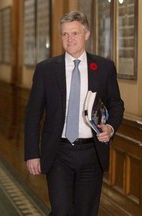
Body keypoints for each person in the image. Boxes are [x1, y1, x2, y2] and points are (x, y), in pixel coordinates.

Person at [24, 11, 124, 216]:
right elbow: (33, 114)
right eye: (65, 34)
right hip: (59, 151)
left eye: (75, 33)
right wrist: (32, 153)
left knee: (86, 211)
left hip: (91, 152)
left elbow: (116, 104)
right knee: (61, 210)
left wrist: (111, 127)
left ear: (86, 34)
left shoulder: (104, 68)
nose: (70, 39)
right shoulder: (46, 69)